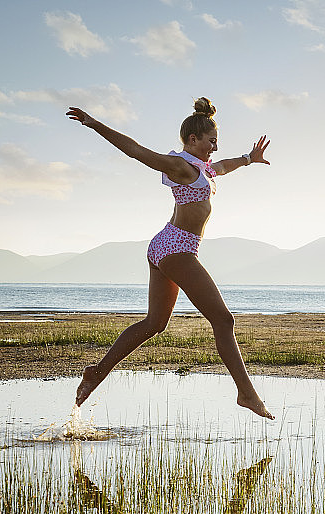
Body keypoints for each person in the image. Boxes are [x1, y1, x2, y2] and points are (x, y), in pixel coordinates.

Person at [66, 97, 273, 420]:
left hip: (166, 245)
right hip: (177, 248)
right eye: (211, 141)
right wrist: (94, 125)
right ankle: (246, 393)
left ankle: (97, 371)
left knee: (154, 323)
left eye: (216, 141)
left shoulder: (203, 168)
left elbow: (224, 165)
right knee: (223, 320)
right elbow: (136, 151)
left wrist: (248, 158)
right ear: (193, 139)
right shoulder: (180, 166)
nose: (215, 147)